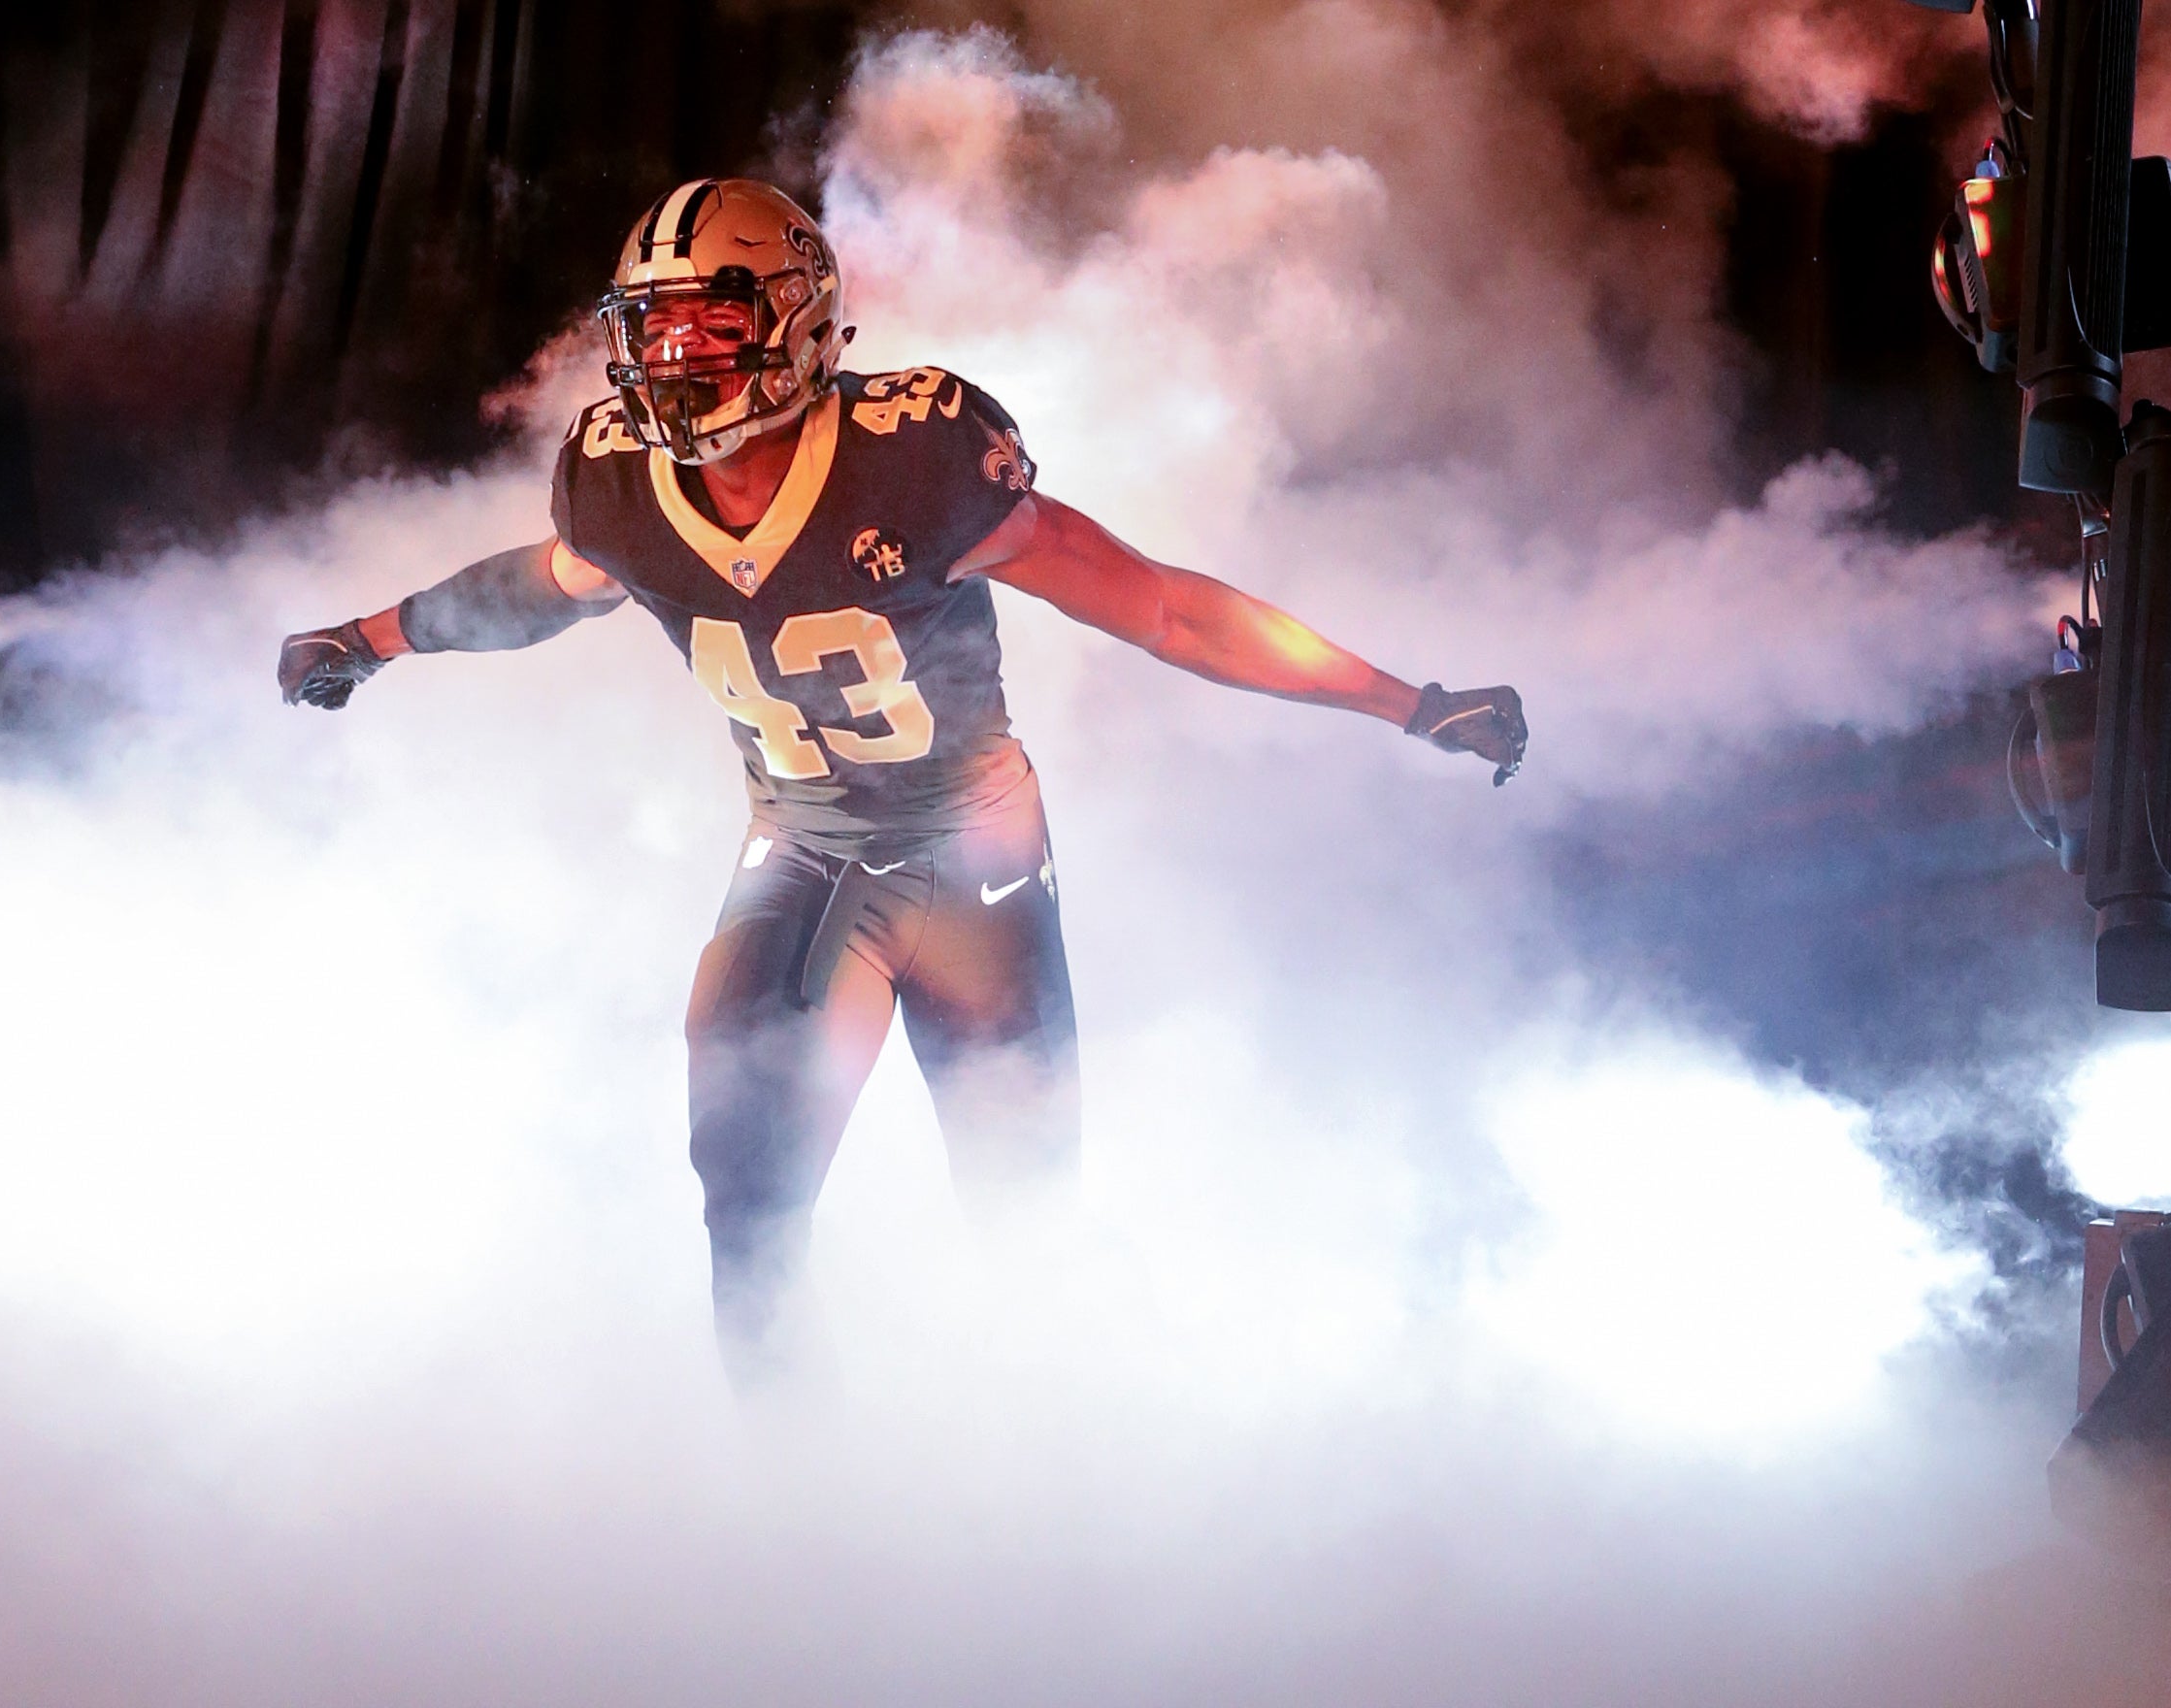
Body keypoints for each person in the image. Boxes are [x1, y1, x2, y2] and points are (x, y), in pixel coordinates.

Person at [279, 179, 1526, 1384]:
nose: (681, 352)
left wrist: (1405, 702)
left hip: (975, 856)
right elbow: (539, 588)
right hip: (803, 853)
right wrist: (373, 637)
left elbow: (1162, 610)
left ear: (798, 322)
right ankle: (793, 1504)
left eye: (718, 316)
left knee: (1024, 1211)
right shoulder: (617, 481)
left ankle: (1058, 1495)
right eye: (656, 322)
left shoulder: (915, 458)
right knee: (747, 1194)